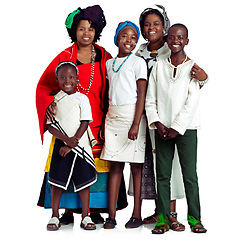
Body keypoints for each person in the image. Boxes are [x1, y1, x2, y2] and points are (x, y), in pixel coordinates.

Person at [36, 5, 128, 226]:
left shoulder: (104, 55)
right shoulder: (65, 57)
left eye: (90, 29)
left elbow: (114, 87)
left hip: (97, 118)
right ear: (74, 32)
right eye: (81, 29)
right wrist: (49, 104)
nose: (86, 33)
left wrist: (112, 118)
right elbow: (44, 86)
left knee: (94, 166)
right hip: (68, 124)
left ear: (96, 32)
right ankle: (67, 210)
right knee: (66, 163)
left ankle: (94, 210)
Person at [128, 5, 208, 231]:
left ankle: (194, 218)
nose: (175, 40)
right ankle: (161, 217)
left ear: (186, 41)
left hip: (185, 128)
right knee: (160, 174)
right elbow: (150, 98)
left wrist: (177, 126)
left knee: (188, 175)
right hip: (157, 126)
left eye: (179, 37)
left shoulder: (191, 65)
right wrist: (158, 123)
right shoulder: (156, 64)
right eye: (147, 24)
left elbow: (193, 98)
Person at [100, 21, 147, 229]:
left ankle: (136, 214)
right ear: (117, 38)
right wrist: (104, 121)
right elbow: (108, 94)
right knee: (115, 165)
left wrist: (136, 123)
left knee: (136, 167)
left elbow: (141, 95)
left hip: (132, 117)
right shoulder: (109, 63)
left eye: (133, 37)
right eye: (125, 36)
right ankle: (111, 216)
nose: (129, 40)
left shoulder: (138, 63)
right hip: (113, 117)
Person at [46, 61, 97, 231]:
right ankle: (54, 215)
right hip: (61, 145)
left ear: (76, 78)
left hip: (79, 144)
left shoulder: (82, 98)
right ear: (57, 79)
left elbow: (85, 122)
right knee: (57, 181)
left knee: (84, 181)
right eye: (62, 77)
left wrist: (72, 142)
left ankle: (85, 215)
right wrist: (66, 141)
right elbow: (50, 125)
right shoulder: (54, 99)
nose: (67, 80)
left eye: (70, 77)